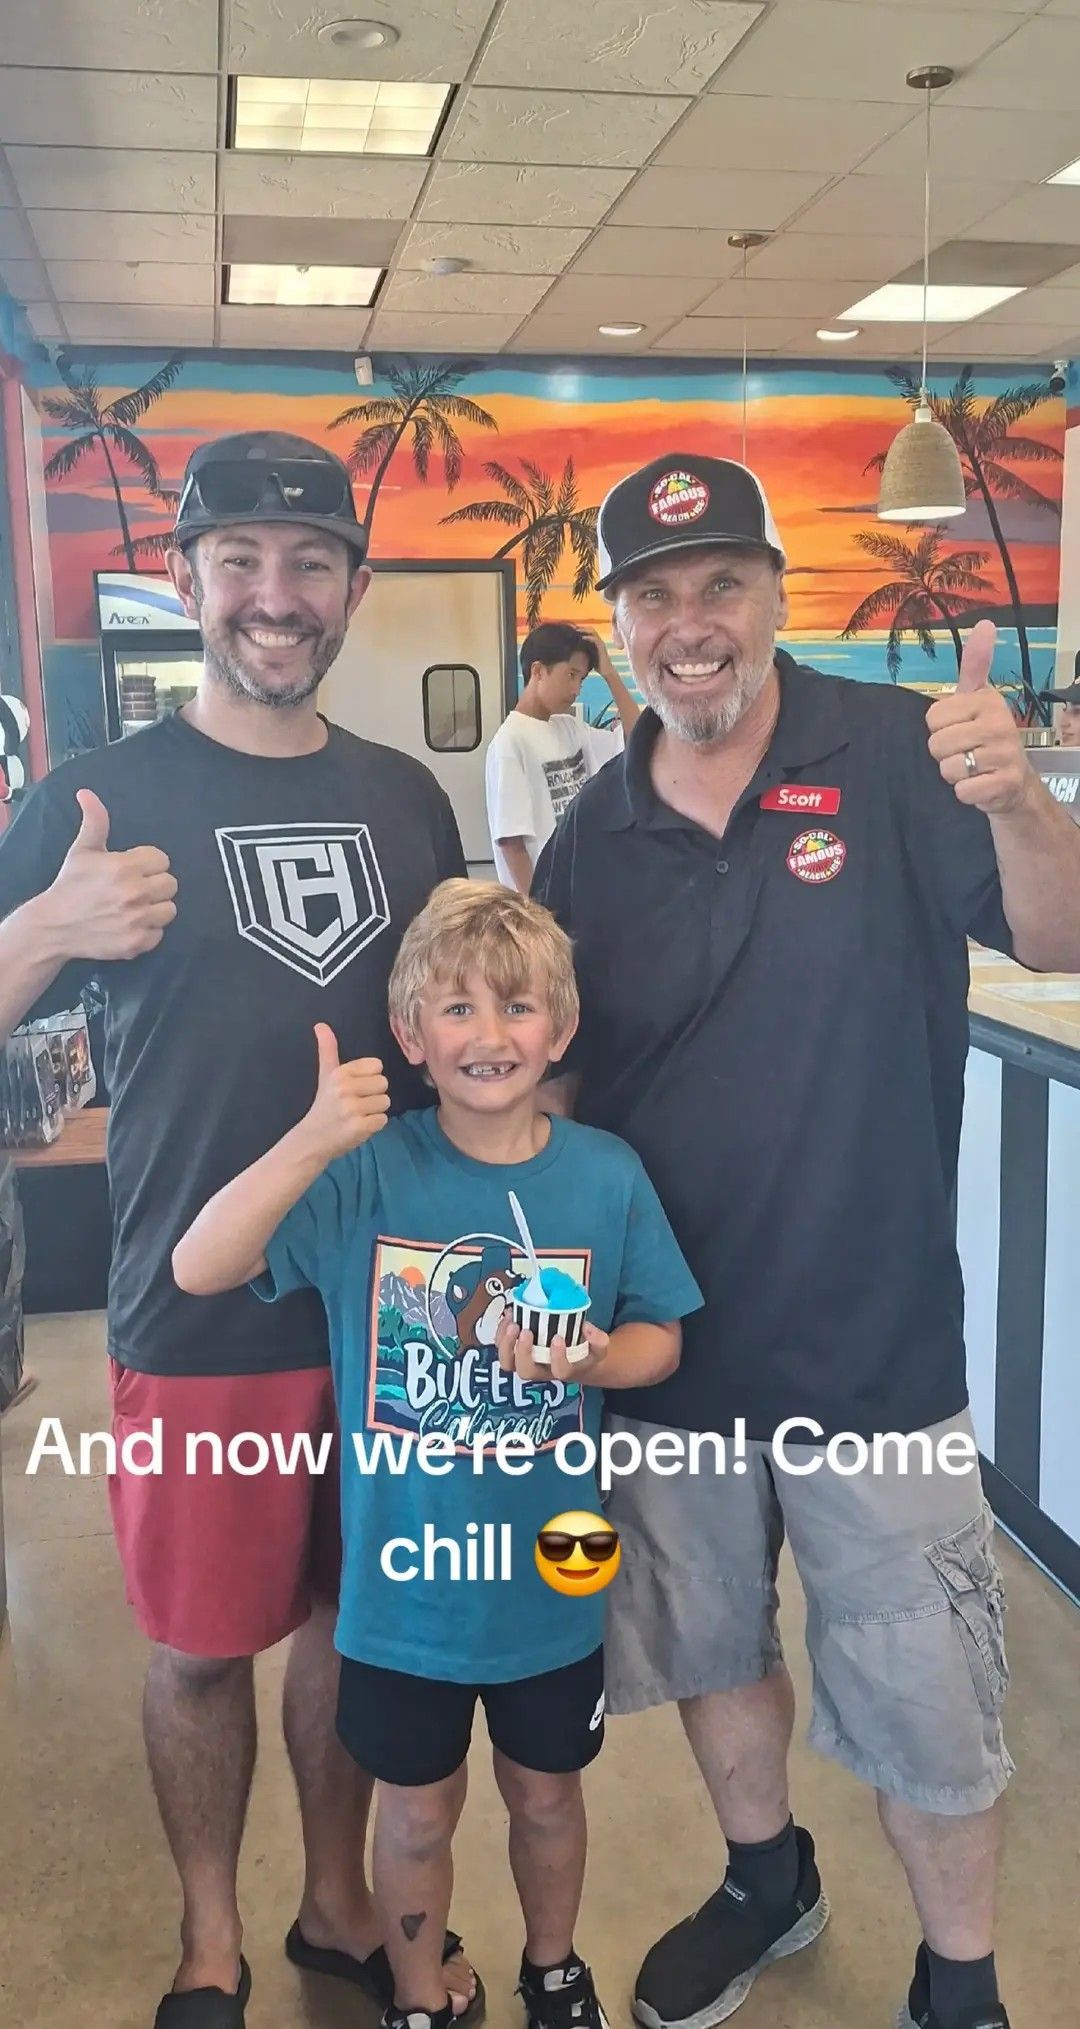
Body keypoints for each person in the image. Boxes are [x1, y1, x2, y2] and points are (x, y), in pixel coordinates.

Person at [533, 451, 1080, 2029]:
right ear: (620, 621)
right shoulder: (596, 829)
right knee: (710, 1648)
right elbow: (557, 1077)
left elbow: (1059, 933)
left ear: (777, 597)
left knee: (928, 1692)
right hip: (666, 1347)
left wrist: (1025, 794)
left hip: (873, 1342)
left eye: (721, 588)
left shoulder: (906, 756)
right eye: (654, 596)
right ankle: (765, 1874)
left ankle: (961, 1976)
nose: (689, 626)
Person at [0, 431, 481, 2029]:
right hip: (196, 1308)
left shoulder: (407, 799)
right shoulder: (94, 796)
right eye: (242, 564)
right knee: (201, 1648)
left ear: (350, 583)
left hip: (392, 1311)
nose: (276, 597)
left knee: (358, 1629)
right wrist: (44, 930)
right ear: (192, 580)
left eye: (310, 564)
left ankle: (335, 1905)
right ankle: (208, 1935)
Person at [173, 878, 702, 2029]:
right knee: (412, 1815)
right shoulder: (365, 1174)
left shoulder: (605, 1176)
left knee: (547, 1795)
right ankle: (417, 1994)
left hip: (554, 1576)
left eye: (518, 1008)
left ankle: (554, 1970)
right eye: (456, 1011)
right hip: (404, 1586)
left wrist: (595, 1361)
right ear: (411, 1038)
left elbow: (661, 1341)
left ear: (559, 1030)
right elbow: (201, 1267)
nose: (490, 1035)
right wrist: (314, 1135)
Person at [485, 620, 640, 893]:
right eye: (571, 675)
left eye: (581, 679)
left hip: (582, 893)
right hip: (545, 906)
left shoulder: (570, 729)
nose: (576, 689)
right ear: (538, 671)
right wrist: (538, 914)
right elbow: (512, 843)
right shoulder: (510, 742)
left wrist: (610, 674)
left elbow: (638, 740)